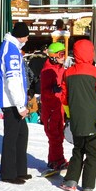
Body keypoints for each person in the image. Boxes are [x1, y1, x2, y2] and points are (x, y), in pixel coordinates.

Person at [61, 38, 96, 191]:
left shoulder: (68, 73)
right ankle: (88, 186)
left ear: (75, 53)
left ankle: (71, 181)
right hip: (95, 119)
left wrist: (70, 115)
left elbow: (64, 98)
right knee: (93, 154)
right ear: (91, 53)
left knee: (77, 150)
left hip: (77, 118)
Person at [0, 22, 31, 185]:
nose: (28, 39)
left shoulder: (12, 48)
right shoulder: (11, 52)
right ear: (21, 35)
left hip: (14, 101)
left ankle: (20, 169)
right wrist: (21, 106)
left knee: (22, 134)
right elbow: (13, 81)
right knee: (11, 137)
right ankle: (8, 173)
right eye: (26, 35)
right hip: (12, 102)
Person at [40, 41, 68, 173]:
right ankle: (58, 160)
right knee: (54, 135)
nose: (64, 57)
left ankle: (54, 159)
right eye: (61, 54)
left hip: (59, 106)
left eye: (64, 54)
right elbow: (44, 92)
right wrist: (52, 89)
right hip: (50, 108)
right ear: (53, 56)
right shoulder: (47, 71)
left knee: (59, 135)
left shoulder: (61, 68)